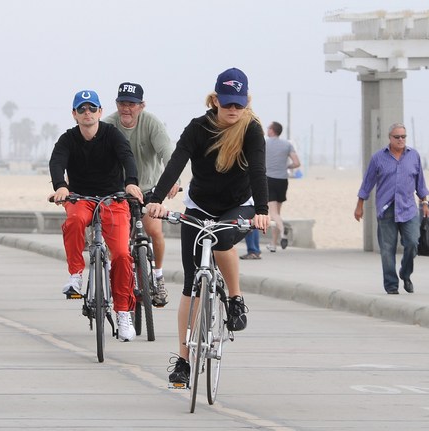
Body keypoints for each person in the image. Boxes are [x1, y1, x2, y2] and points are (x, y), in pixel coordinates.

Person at [146, 68, 270, 385]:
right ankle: (184, 361)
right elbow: (176, 161)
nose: (232, 110)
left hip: (237, 205)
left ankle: (235, 296)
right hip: (199, 206)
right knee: (191, 283)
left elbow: (258, 169)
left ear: (246, 103)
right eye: (226, 103)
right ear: (215, 100)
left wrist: (262, 210)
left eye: (238, 105)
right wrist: (158, 198)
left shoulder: (252, 129)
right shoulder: (198, 128)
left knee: (222, 239)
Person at [49, 90, 144, 342]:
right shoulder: (67, 139)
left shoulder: (112, 135)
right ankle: (75, 276)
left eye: (92, 109)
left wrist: (132, 183)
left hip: (113, 199)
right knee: (74, 221)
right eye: (82, 109)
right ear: (74, 114)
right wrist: (60, 185)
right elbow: (57, 162)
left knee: (123, 255)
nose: (87, 113)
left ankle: (123, 312)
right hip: (80, 198)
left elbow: (127, 157)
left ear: (101, 112)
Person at [103, 82, 180, 307]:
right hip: (119, 190)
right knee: (119, 239)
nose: (126, 109)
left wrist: (173, 179)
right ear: (116, 104)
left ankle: (158, 276)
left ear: (141, 105)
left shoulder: (152, 123)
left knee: (153, 230)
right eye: (122, 103)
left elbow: (167, 152)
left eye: (132, 104)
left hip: (149, 189)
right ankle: (120, 278)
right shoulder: (108, 124)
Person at [354, 123, 429, 294]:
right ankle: (391, 285)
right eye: (397, 137)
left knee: (412, 243)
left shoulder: (414, 156)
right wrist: (359, 205)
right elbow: (367, 183)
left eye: (403, 137)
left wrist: (424, 202)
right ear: (389, 138)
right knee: (387, 250)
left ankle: (405, 273)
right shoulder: (378, 158)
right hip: (386, 209)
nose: (401, 140)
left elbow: (420, 182)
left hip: (408, 208)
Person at [264, 121, 301, 252]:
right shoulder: (287, 144)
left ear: (272, 130)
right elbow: (297, 163)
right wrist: (287, 166)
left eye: (268, 128)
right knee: (277, 213)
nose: (267, 129)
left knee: (273, 214)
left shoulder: (265, 143)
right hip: (282, 180)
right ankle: (273, 244)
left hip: (269, 179)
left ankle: (282, 233)